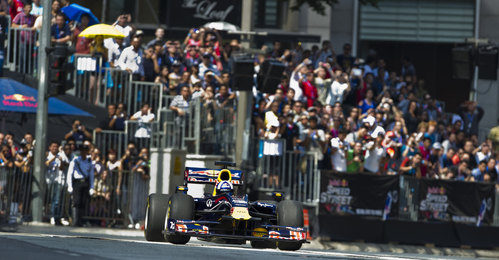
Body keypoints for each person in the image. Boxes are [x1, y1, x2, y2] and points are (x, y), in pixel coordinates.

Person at [66, 144, 94, 227]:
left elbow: (91, 175)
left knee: (83, 202)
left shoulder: (89, 162)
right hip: (77, 182)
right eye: (82, 151)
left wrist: (92, 187)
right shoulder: (75, 160)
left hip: (85, 182)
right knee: (76, 202)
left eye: (85, 151)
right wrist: (70, 185)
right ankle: (75, 221)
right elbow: (70, 173)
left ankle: (81, 221)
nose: (83, 152)